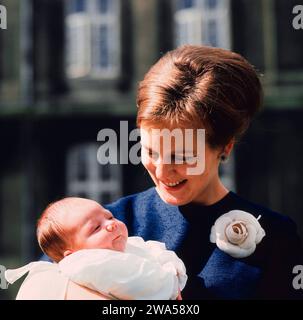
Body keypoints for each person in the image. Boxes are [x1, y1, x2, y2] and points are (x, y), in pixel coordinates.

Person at [103, 45, 303, 299]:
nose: (163, 170)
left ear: (225, 147)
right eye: (150, 151)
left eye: (182, 157)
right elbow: (40, 281)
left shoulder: (277, 236)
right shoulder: (109, 223)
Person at [5, 197, 186, 300]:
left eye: (109, 217)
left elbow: (157, 250)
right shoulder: (84, 264)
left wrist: (172, 270)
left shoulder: (131, 244)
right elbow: (135, 282)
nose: (111, 225)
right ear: (73, 254)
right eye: (96, 228)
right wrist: (170, 283)